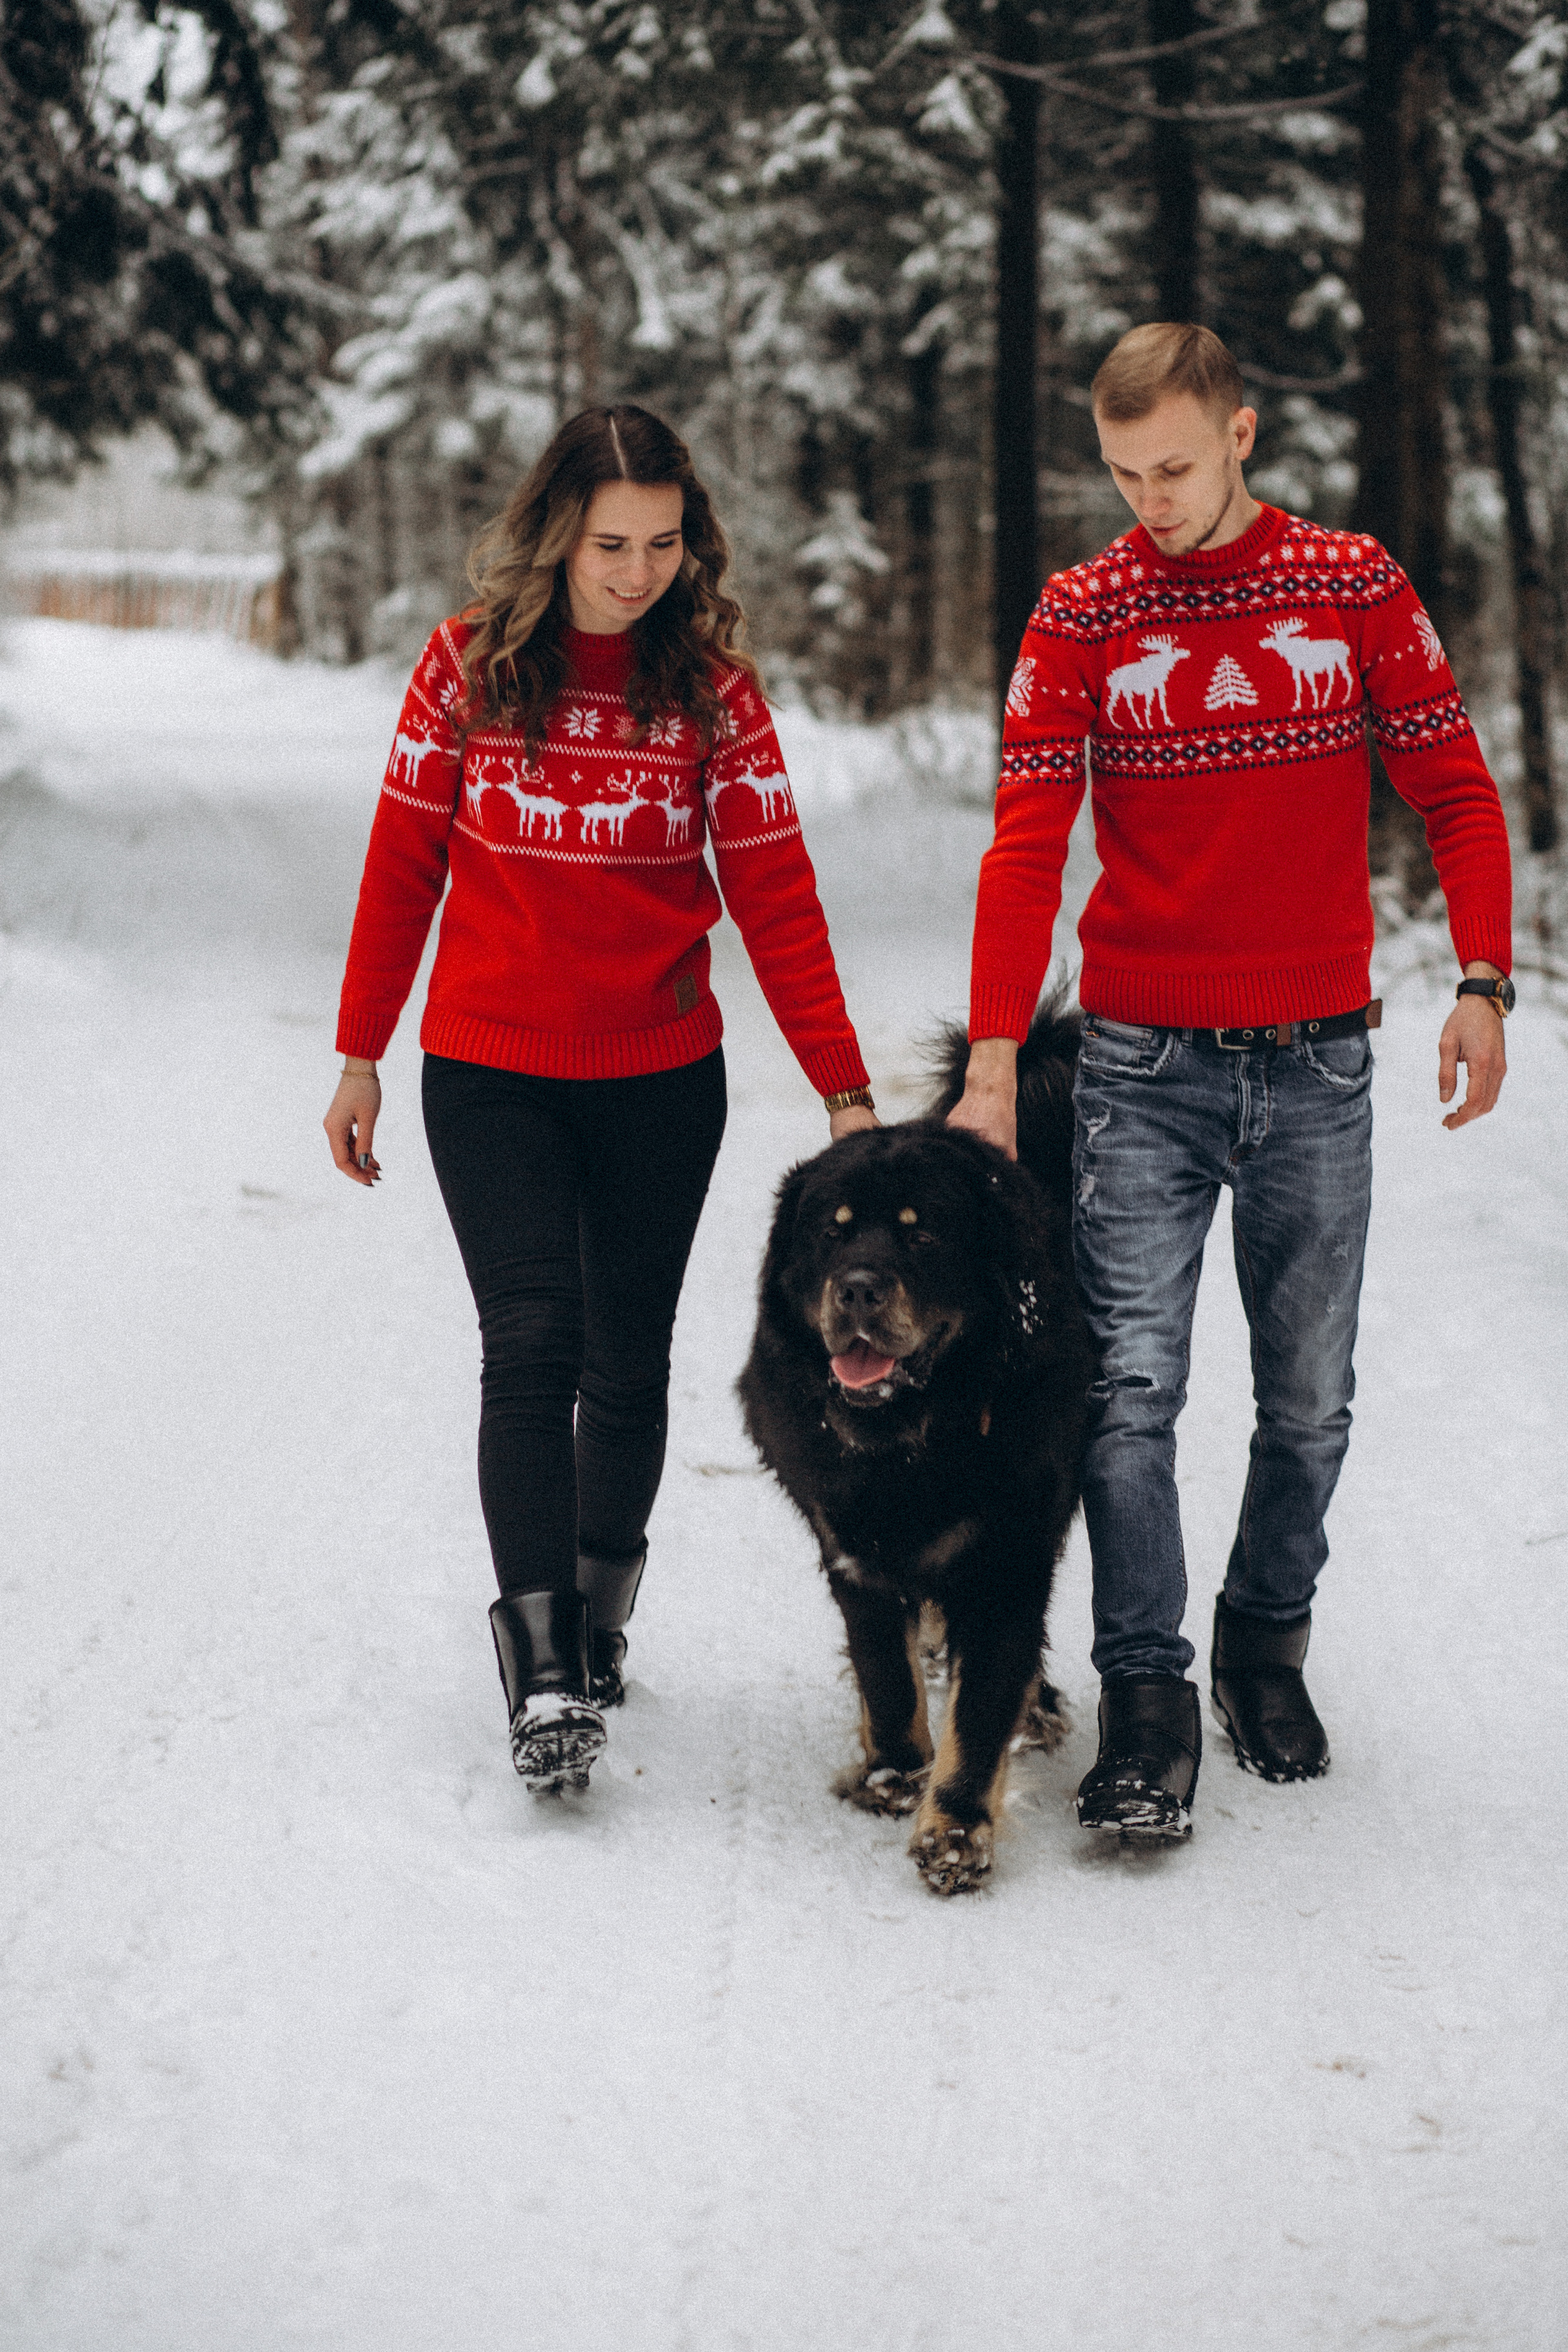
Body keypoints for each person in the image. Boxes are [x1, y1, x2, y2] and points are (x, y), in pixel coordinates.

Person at [948, 322, 1512, 1839]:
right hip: (1138, 1067)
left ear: (1243, 433)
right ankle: (1144, 1694)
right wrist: (994, 1056)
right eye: (1124, 470)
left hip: (1318, 1062)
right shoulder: (1080, 612)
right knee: (1127, 1391)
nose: (1150, 497)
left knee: (1308, 1396)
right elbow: (1024, 844)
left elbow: (1453, 790)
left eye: (1177, 467)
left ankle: (1264, 1641)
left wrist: (1478, 977)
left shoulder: (1352, 588)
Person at [324, 405, 875, 1793]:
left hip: (657, 1078)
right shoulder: (466, 668)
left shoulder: (712, 694)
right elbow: (403, 866)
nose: (638, 572)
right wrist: (360, 1051)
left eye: (664, 544)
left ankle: (598, 1621)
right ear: (557, 533)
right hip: (492, 1071)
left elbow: (775, 896)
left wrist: (844, 1090)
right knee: (530, 1342)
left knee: (625, 1363)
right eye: (612, 544)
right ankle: (543, 1670)